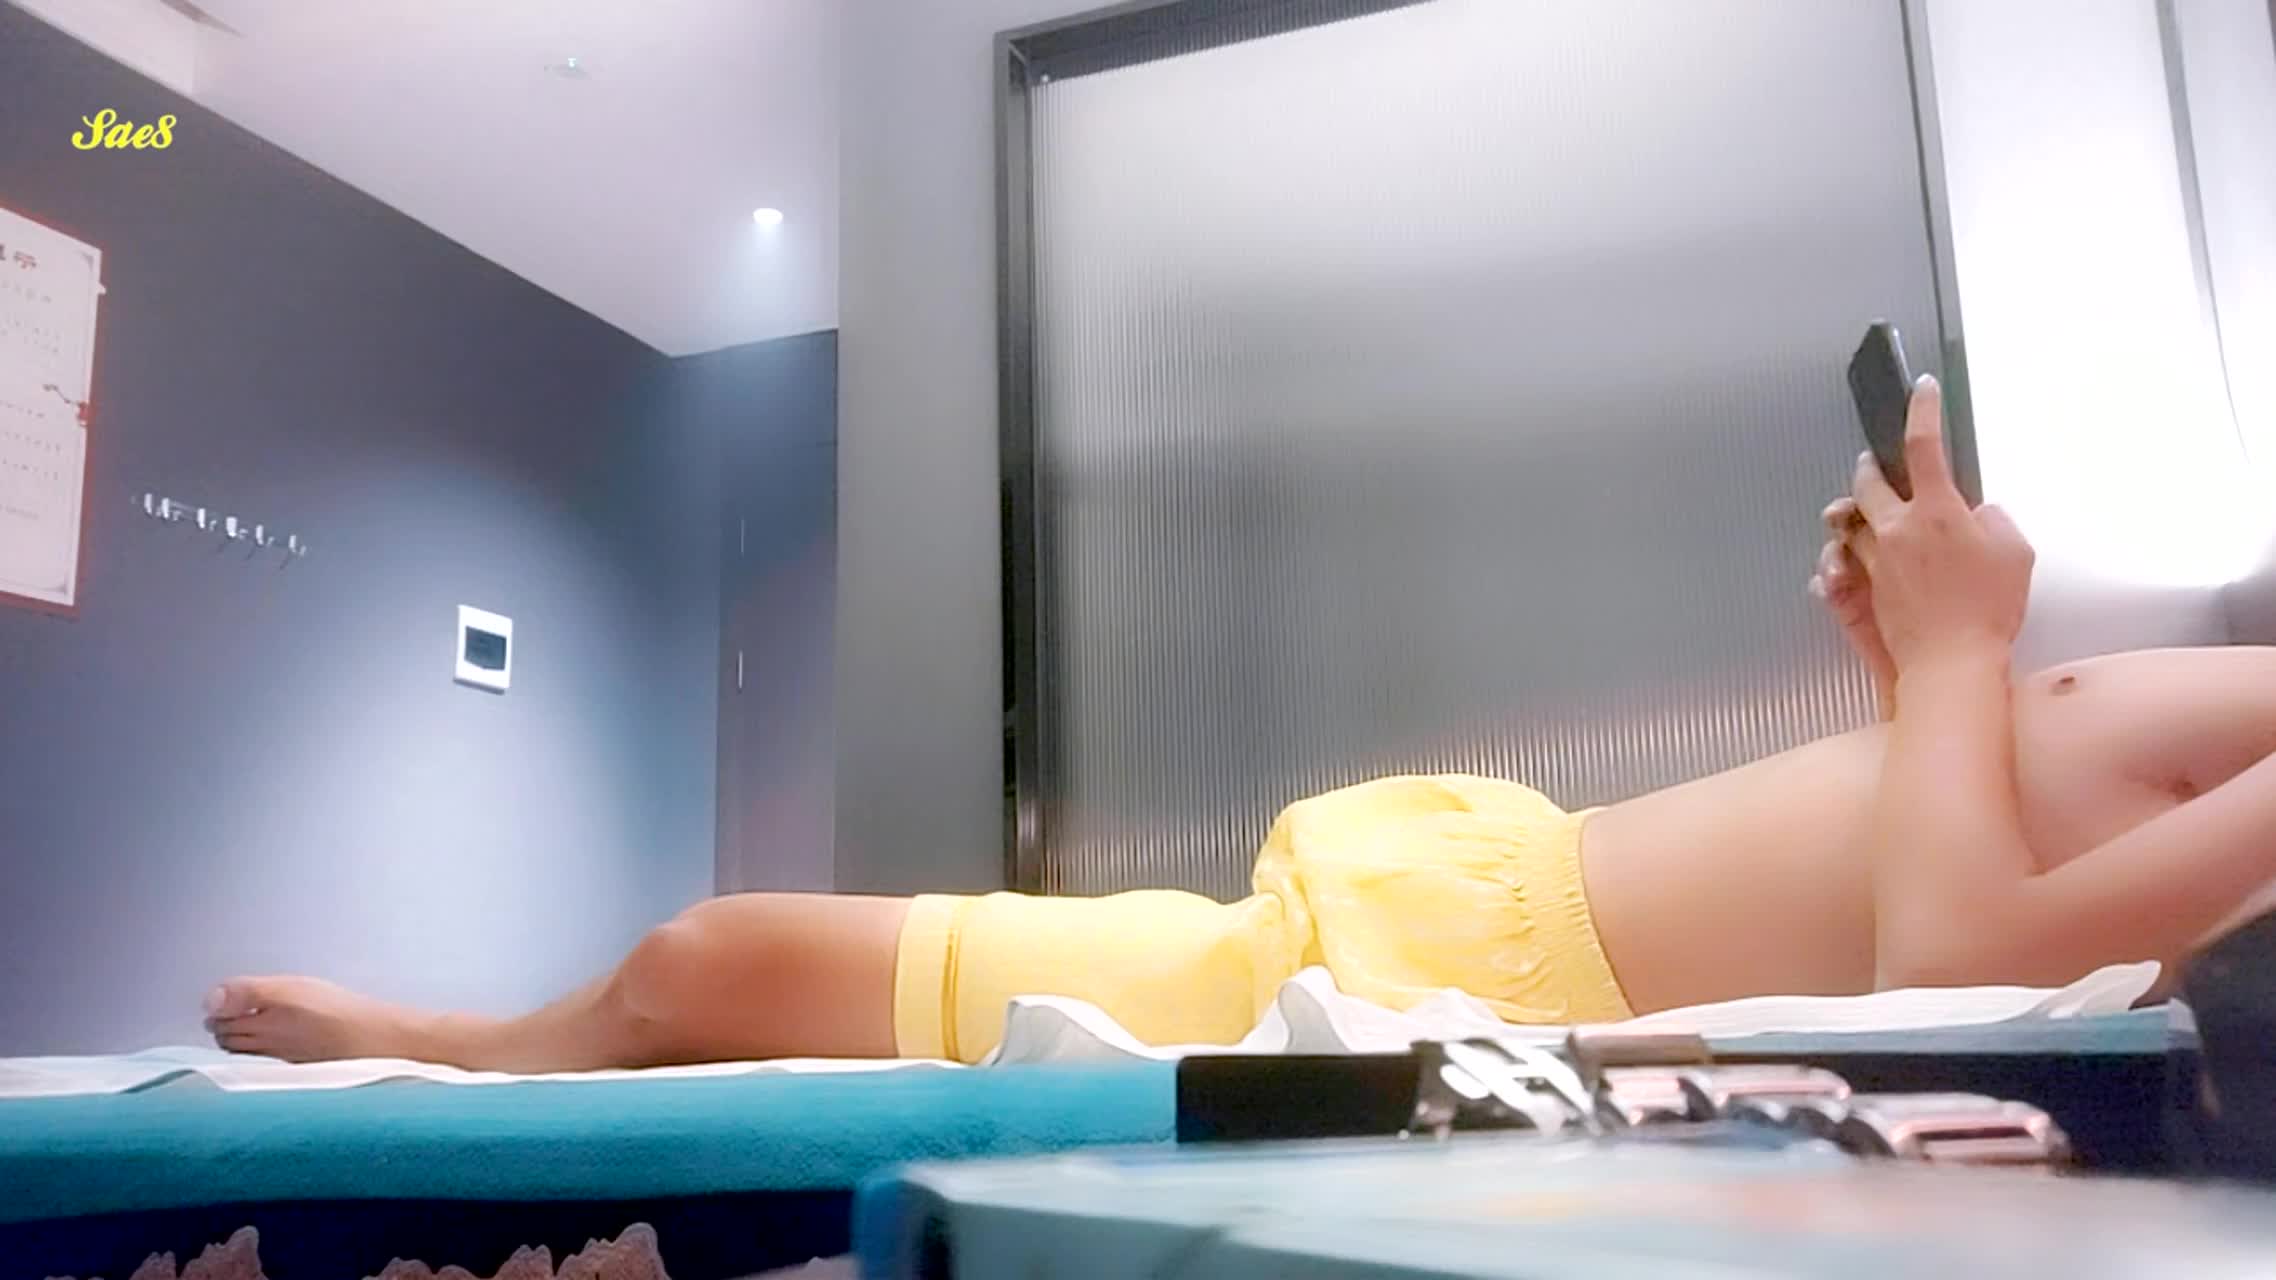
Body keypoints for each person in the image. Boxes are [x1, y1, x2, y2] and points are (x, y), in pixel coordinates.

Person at [206, 376, 2276, 1069]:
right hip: (1472, 902)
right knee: (710, 959)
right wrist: (1908, 669)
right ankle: (458, 1041)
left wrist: (1954, 660)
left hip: (1483, 993)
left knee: (703, 960)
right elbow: (1973, 879)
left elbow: (1962, 965)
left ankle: (435, 1049)